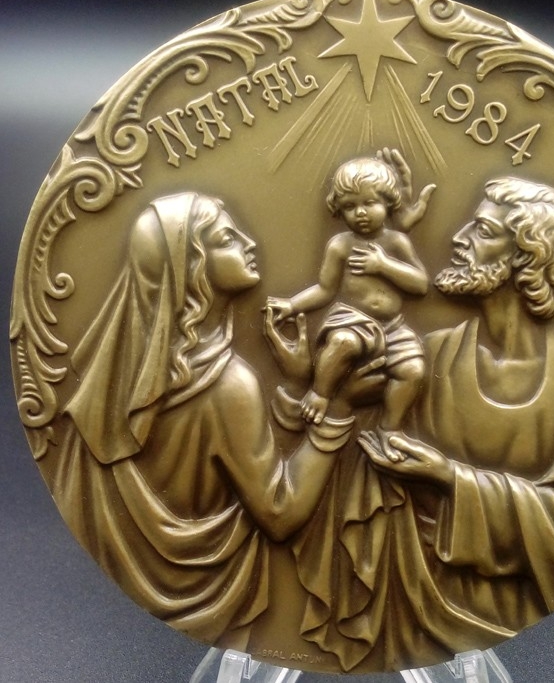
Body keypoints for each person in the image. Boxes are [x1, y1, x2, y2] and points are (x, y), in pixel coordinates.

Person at [347, 176, 554, 669]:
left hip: (516, 601)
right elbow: (354, 475)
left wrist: (450, 478)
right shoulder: (430, 358)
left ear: (527, 257)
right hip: (416, 603)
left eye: (481, 231)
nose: (458, 239)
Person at [52, 192, 354, 648]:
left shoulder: (110, 383)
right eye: (227, 239)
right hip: (218, 596)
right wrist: (339, 407)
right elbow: (280, 514)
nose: (250, 243)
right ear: (190, 268)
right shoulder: (227, 385)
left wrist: (294, 385)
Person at [266, 155, 428, 447]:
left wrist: (384, 265)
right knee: (343, 343)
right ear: (339, 209)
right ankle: (320, 393)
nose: (360, 213)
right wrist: (292, 305)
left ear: (388, 202)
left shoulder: (396, 243)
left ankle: (390, 429)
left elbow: (420, 285)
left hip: (393, 327)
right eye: (350, 206)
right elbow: (324, 289)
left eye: (370, 203)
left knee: (413, 370)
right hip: (353, 320)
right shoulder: (340, 245)